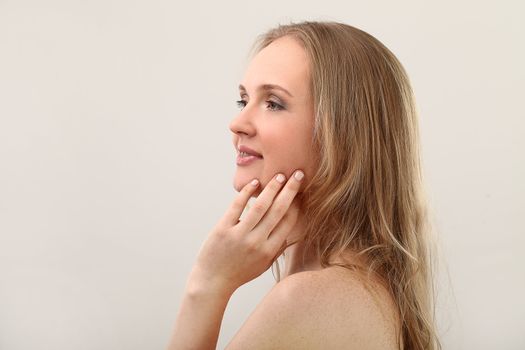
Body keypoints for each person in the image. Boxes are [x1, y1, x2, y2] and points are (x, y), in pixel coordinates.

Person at [167, 20, 440, 350]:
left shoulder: (307, 299)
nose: (237, 123)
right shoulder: (357, 288)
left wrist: (207, 284)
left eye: (273, 103)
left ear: (342, 134)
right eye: (244, 100)